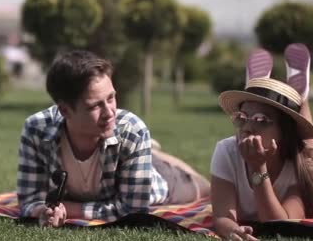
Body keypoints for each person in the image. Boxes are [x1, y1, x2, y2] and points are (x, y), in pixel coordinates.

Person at [17, 50, 209, 227]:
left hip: (160, 182)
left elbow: (132, 211)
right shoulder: (37, 130)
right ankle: (150, 152)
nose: (110, 113)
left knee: (206, 190)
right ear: (65, 110)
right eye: (95, 106)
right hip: (123, 162)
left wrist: (69, 208)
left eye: (111, 98)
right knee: (145, 153)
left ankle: (152, 155)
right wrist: (43, 211)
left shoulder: (131, 130)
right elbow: (29, 199)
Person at [211, 43, 313, 241]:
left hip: (309, 173)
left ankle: (300, 99)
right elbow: (222, 217)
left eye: (261, 120)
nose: (247, 127)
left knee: (310, 153)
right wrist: (233, 230)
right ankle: (265, 91)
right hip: (289, 143)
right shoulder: (226, 151)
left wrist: (258, 167)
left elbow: (278, 225)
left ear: (283, 133)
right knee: (306, 150)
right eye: (242, 117)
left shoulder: (304, 169)